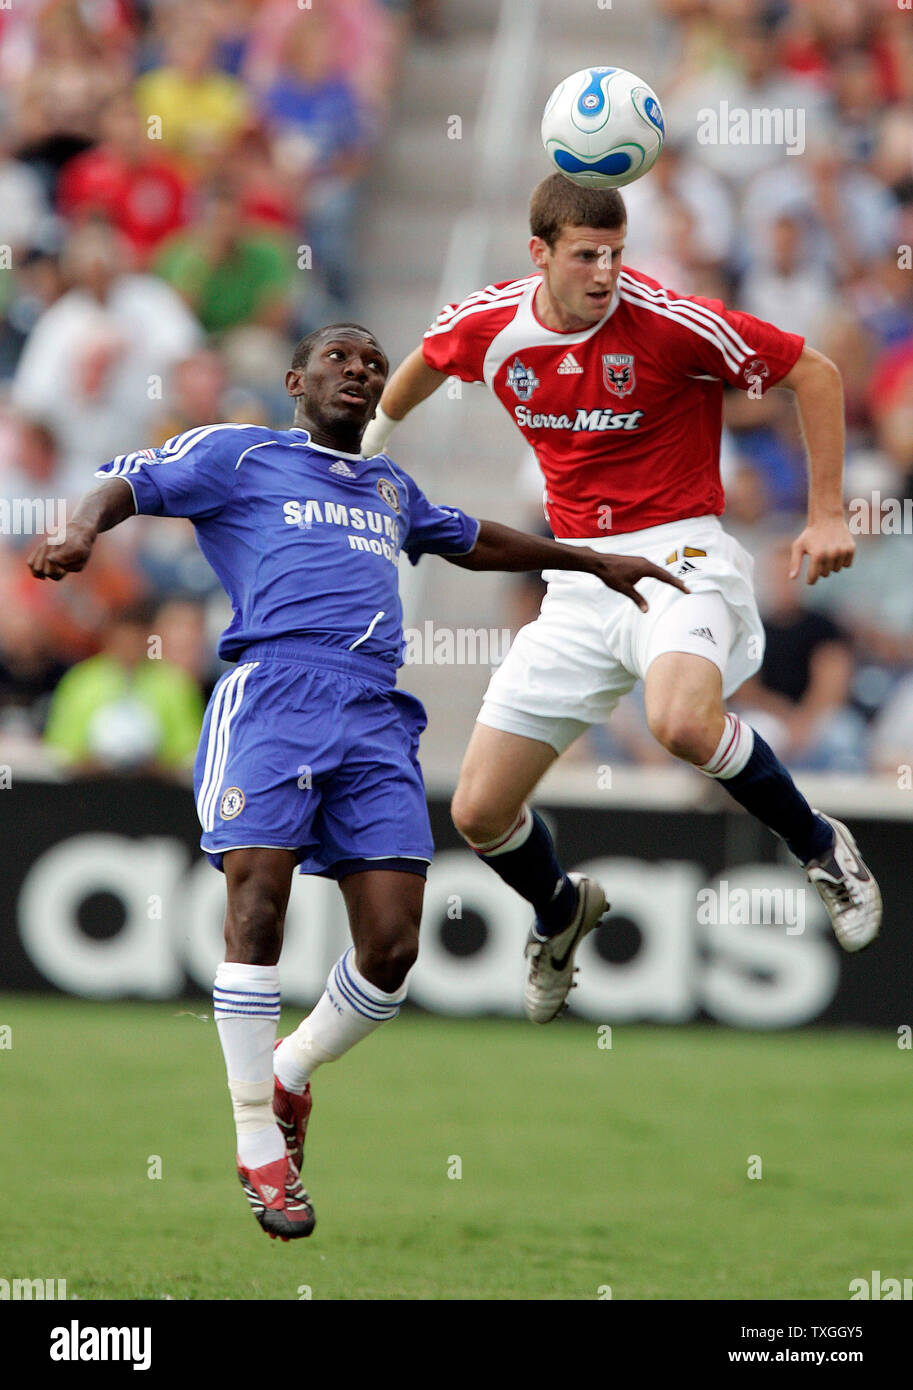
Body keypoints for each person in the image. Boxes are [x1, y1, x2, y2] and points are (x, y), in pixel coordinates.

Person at [26, 322, 684, 1240]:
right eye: (340, 357)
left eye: (374, 365)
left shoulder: (388, 486)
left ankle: (288, 1073)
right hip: (274, 696)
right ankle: (259, 1142)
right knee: (257, 903)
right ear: (296, 378)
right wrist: (77, 525)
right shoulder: (242, 452)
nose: (361, 370)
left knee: (391, 948)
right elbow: (130, 480)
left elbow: (470, 539)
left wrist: (588, 559)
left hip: (374, 714)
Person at [362, 175, 883, 1027]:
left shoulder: (670, 322)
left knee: (679, 722)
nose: (605, 272)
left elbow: (814, 373)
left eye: (615, 252)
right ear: (540, 254)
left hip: (681, 555)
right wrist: (364, 449)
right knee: (478, 810)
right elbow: (427, 360)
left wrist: (827, 512)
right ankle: (561, 910)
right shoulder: (490, 323)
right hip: (579, 579)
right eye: (585, 256)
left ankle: (820, 844)